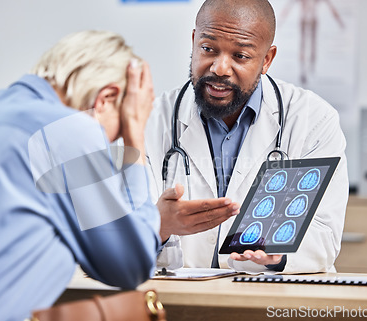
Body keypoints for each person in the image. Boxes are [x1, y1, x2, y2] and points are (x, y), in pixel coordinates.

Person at [0, 30, 160, 321]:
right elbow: (131, 264)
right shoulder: (68, 130)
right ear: (106, 99)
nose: (110, 144)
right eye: (114, 136)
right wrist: (135, 135)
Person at [145, 0, 349, 273]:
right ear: (194, 41)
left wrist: (279, 253)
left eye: (240, 56)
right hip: (178, 303)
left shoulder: (313, 120)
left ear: (267, 59)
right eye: (208, 49)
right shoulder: (148, 120)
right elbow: (110, 239)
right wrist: (157, 226)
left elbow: (325, 235)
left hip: (272, 303)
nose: (220, 68)